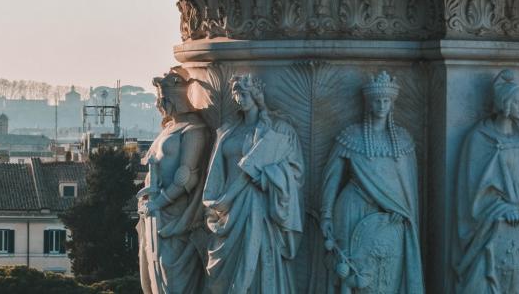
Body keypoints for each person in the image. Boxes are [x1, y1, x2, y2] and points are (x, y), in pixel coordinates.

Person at [319, 71, 423, 293]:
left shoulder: (403, 141)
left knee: (386, 277)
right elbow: (332, 178)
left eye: (386, 100)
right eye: (377, 100)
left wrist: (402, 211)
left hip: (390, 220)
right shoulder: (351, 136)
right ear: (369, 103)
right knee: (349, 273)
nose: (382, 105)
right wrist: (326, 214)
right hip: (352, 209)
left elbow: (408, 189)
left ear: (392, 104)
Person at [202, 73, 303, 293]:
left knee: (256, 265)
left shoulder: (276, 131)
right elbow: (216, 173)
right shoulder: (228, 132)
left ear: (256, 95)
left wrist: (266, 177)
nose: (240, 98)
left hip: (258, 207)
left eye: (245, 93)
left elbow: (295, 172)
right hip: (227, 208)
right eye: (237, 93)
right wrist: (216, 202)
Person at [455, 69, 519, 293]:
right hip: (497, 217)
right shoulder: (480, 138)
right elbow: (473, 187)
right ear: (505, 103)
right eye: (518, 103)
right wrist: (501, 208)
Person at [137, 68, 210, 294]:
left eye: (162, 100)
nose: (160, 106)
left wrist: (160, 202)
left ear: (175, 100)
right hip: (154, 212)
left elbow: (187, 176)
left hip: (176, 215)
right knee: (151, 275)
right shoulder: (169, 128)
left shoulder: (194, 130)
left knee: (172, 279)